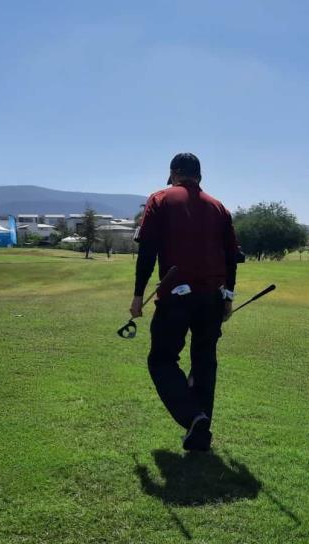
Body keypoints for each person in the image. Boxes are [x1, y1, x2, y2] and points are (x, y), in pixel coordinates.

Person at [131, 152, 240, 452]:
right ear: (199, 176)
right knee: (204, 362)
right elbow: (232, 259)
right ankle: (199, 434)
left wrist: (138, 294)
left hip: (176, 298)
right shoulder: (219, 208)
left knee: (162, 360)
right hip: (212, 300)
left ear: (174, 174)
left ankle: (194, 417)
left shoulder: (159, 199)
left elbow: (147, 252)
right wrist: (228, 297)